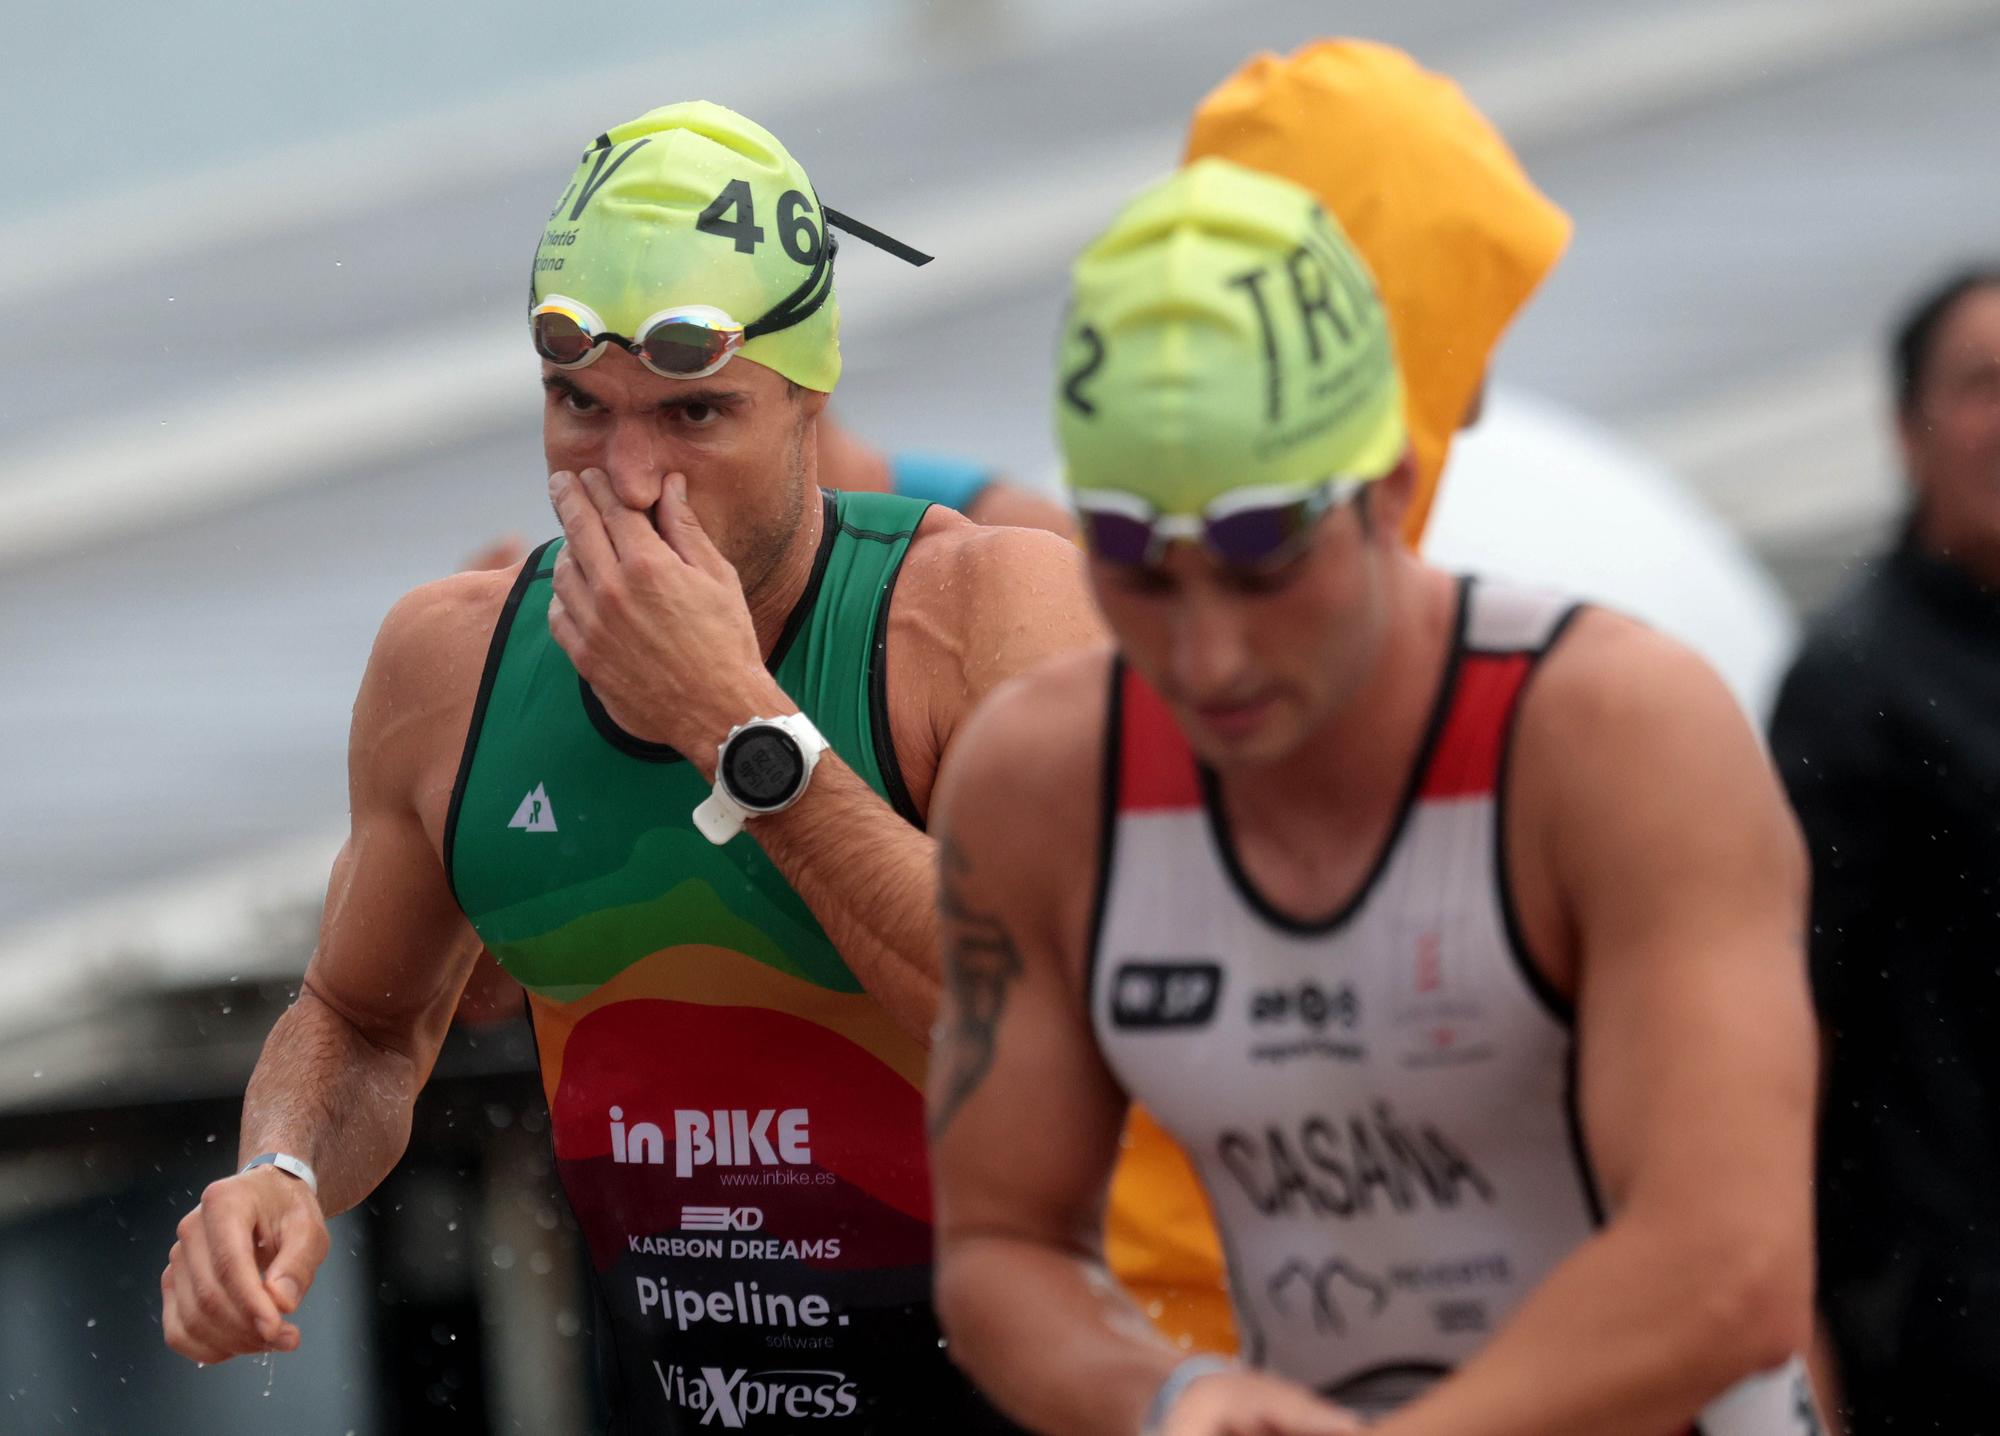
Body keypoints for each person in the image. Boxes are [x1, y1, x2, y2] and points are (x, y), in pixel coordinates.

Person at [158, 101, 1096, 1433]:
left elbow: (1053, 1020)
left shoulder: (978, 626)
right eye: (579, 409)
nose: (632, 474)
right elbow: (362, 1024)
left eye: (697, 413)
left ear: (808, 399)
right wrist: (284, 1166)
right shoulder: (450, 672)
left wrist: (735, 727)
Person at [927, 159, 1824, 1434]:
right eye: (1136, 570)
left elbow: (1728, 1269)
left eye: (1260, 563)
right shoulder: (1042, 784)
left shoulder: (1612, 733)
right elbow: (1003, 1245)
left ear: (1391, 488)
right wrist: (1167, 1395)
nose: (1205, 656)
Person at [1106, 38, 1576, 1354]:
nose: (1479, 396)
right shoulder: (1542, 706)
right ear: (1388, 322)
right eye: (1464, 316)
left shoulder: (1089, 661)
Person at [1770, 266, 2000, 1433]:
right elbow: (1780, 1026)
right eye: (1981, 386)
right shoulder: (1849, 684)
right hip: (1944, 1325)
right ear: (1905, 432)